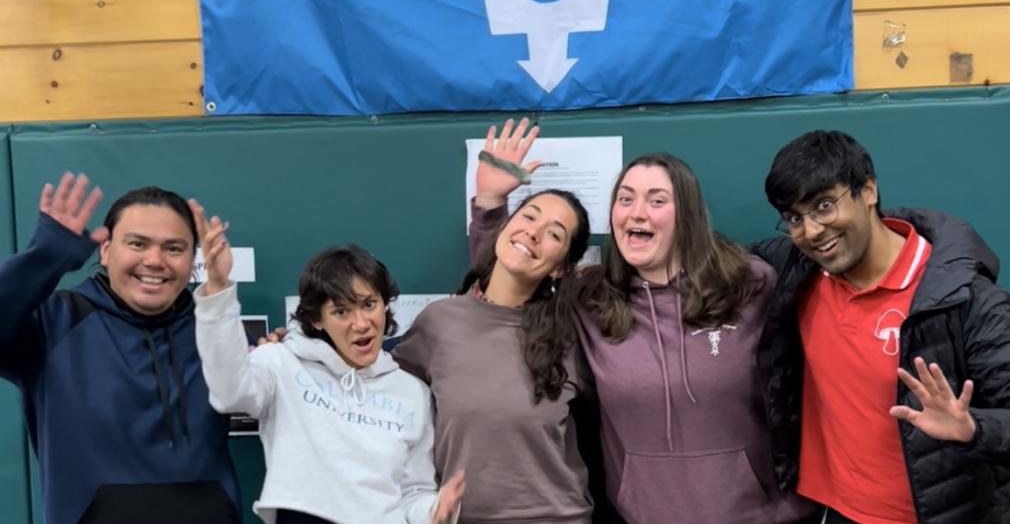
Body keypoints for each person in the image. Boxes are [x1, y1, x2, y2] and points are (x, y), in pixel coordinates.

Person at [468, 120, 814, 524]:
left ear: (685, 215)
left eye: (656, 200)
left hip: (762, 517)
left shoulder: (750, 283)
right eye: (625, 199)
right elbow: (507, 284)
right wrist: (490, 204)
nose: (637, 212)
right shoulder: (589, 299)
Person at [757, 129, 1010, 524]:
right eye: (795, 218)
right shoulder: (798, 270)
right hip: (832, 512)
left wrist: (972, 428)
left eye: (825, 206)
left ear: (867, 190)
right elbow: (713, 259)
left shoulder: (963, 298)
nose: (811, 231)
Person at [192, 203, 464, 524]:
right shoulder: (280, 363)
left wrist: (436, 512)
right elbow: (229, 393)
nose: (361, 323)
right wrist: (219, 289)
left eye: (369, 304)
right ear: (318, 320)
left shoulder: (411, 392)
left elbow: (413, 492)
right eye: (341, 311)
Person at [0, 172, 241, 524]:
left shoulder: (215, 330)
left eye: (174, 248)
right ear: (107, 250)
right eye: (138, 244)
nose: (155, 261)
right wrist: (46, 256)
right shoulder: (53, 322)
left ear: (193, 260)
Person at [393, 180, 594, 524]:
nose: (533, 233)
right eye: (529, 217)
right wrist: (294, 348)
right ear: (505, 225)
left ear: (560, 267)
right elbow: (371, 389)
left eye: (554, 234)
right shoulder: (439, 323)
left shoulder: (572, 337)